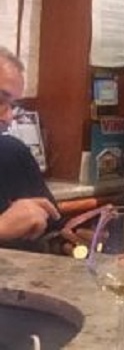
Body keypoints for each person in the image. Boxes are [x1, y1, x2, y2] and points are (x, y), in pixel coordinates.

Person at [0, 46, 61, 251]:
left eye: (13, 105)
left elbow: (52, 229)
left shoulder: (12, 153)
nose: (9, 118)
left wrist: (68, 242)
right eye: (0, 101)